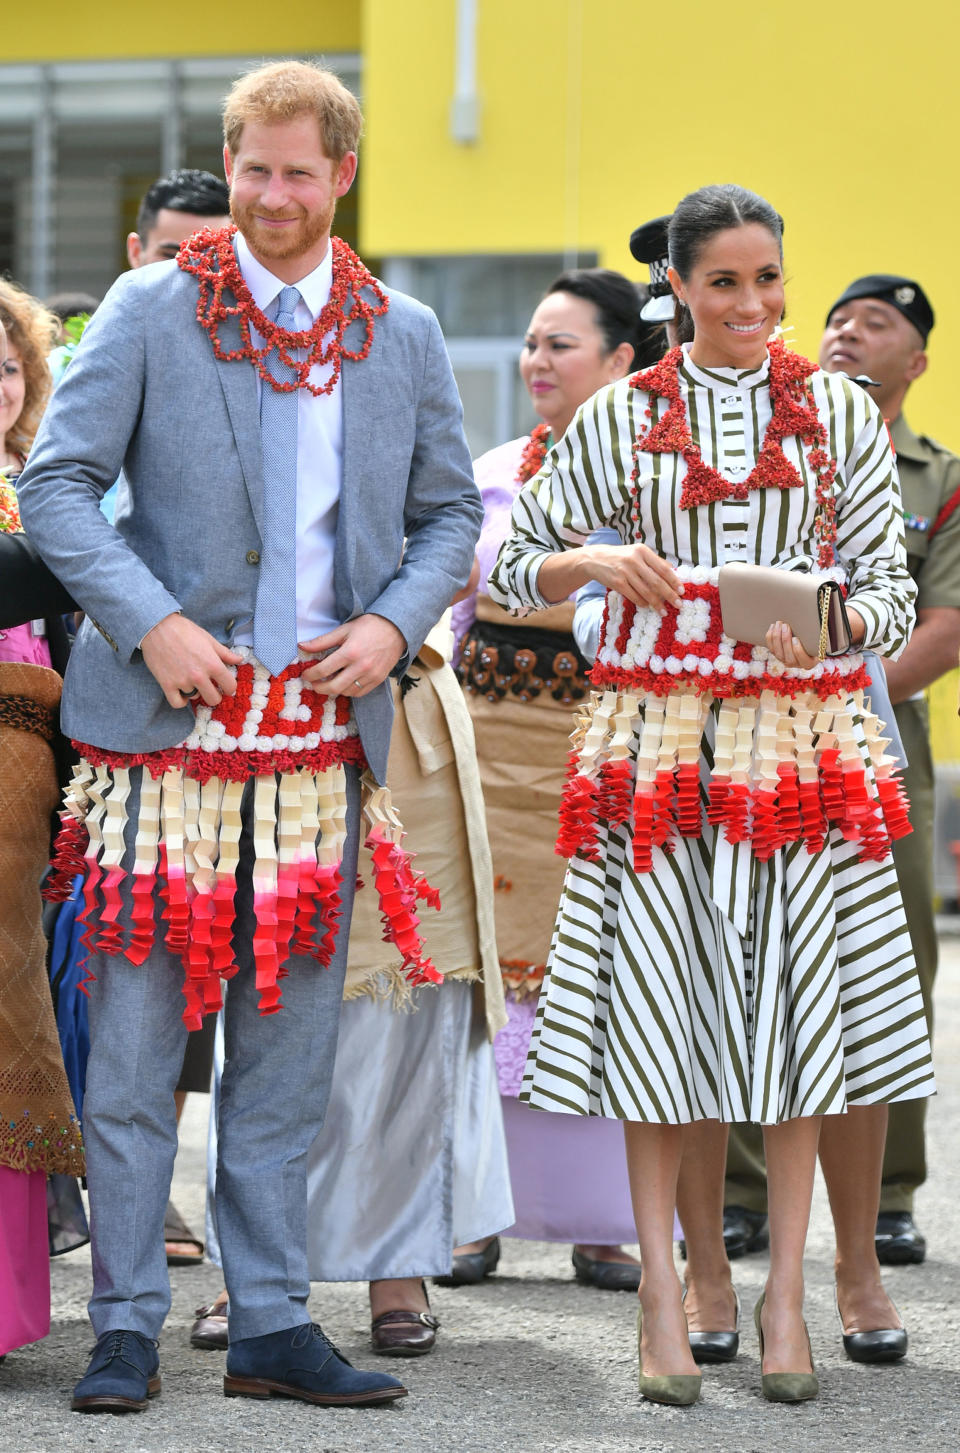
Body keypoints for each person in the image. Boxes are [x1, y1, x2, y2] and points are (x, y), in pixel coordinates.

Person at [18, 59, 481, 1415]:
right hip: (163, 745)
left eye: (298, 171)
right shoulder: (153, 308)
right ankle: (123, 1322)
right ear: (230, 167)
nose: (273, 196)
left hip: (319, 748)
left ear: (344, 175)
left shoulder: (402, 331)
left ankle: (274, 1318)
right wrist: (146, 616)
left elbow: (448, 512)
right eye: (252, 168)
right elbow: (55, 483)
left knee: (285, 1065)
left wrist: (393, 627)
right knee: (138, 1053)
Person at [488, 183, 935, 1407]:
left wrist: (833, 620)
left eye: (769, 278)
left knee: (796, 1026)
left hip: (799, 744)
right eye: (726, 281)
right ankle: (665, 1299)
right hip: (652, 743)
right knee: (656, 1023)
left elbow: (890, 592)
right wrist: (592, 559)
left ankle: (787, 1297)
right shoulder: (617, 414)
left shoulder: (840, 409)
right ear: (676, 288)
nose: (755, 304)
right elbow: (515, 564)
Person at [724, 275, 960, 1282]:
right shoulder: (756, 450)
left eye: (880, 326)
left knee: (890, 963)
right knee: (743, 945)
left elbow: (944, 621)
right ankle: (740, 1193)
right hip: (745, 738)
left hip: (876, 747)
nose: (849, 335)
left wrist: (836, 688)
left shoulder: (938, 477)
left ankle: (891, 1196)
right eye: (840, 320)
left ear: (916, 362)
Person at [195, 614, 513, 1357]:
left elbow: (447, 526)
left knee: (408, 1003)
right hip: (256, 699)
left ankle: (398, 1270)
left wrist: (394, 620)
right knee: (262, 989)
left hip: (394, 688)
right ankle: (253, 1269)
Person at [451, 267, 662, 1293]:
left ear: (623, 360)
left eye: (559, 344)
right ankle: (472, 1212)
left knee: (601, 976)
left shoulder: (659, 480)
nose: (536, 361)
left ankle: (603, 1219)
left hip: (608, 759)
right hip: (488, 762)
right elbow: (454, 609)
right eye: (531, 343)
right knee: (480, 980)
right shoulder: (491, 469)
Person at [0, 298, 85, 1368]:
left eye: (10, 370)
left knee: (15, 1033)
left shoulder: (42, 497)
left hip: (23, 822)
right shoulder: (56, 519)